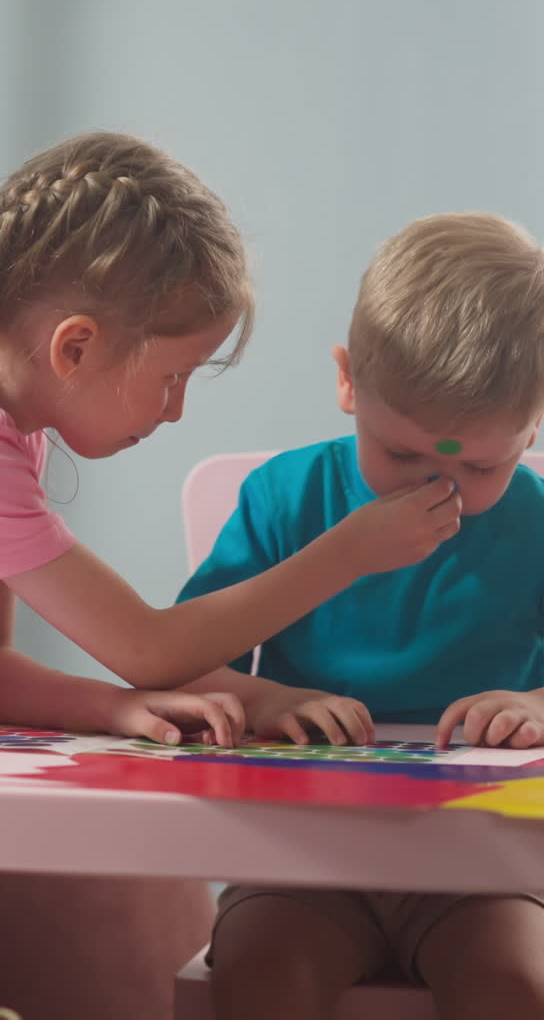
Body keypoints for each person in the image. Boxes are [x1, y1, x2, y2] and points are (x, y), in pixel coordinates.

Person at [0, 133, 457, 1010]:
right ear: (74, 347)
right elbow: (150, 646)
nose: (176, 410)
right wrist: (347, 552)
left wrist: (116, 709)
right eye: (171, 376)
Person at [177, 211, 544, 1020]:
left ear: (535, 422)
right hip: (304, 854)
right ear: (348, 383)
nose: (433, 484)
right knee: (265, 979)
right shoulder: (285, 498)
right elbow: (172, 663)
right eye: (400, 452)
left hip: (483, 862)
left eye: (482, 465)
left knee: (512, 990)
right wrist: (269, 701)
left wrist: (534, 707)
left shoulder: (538, 522)